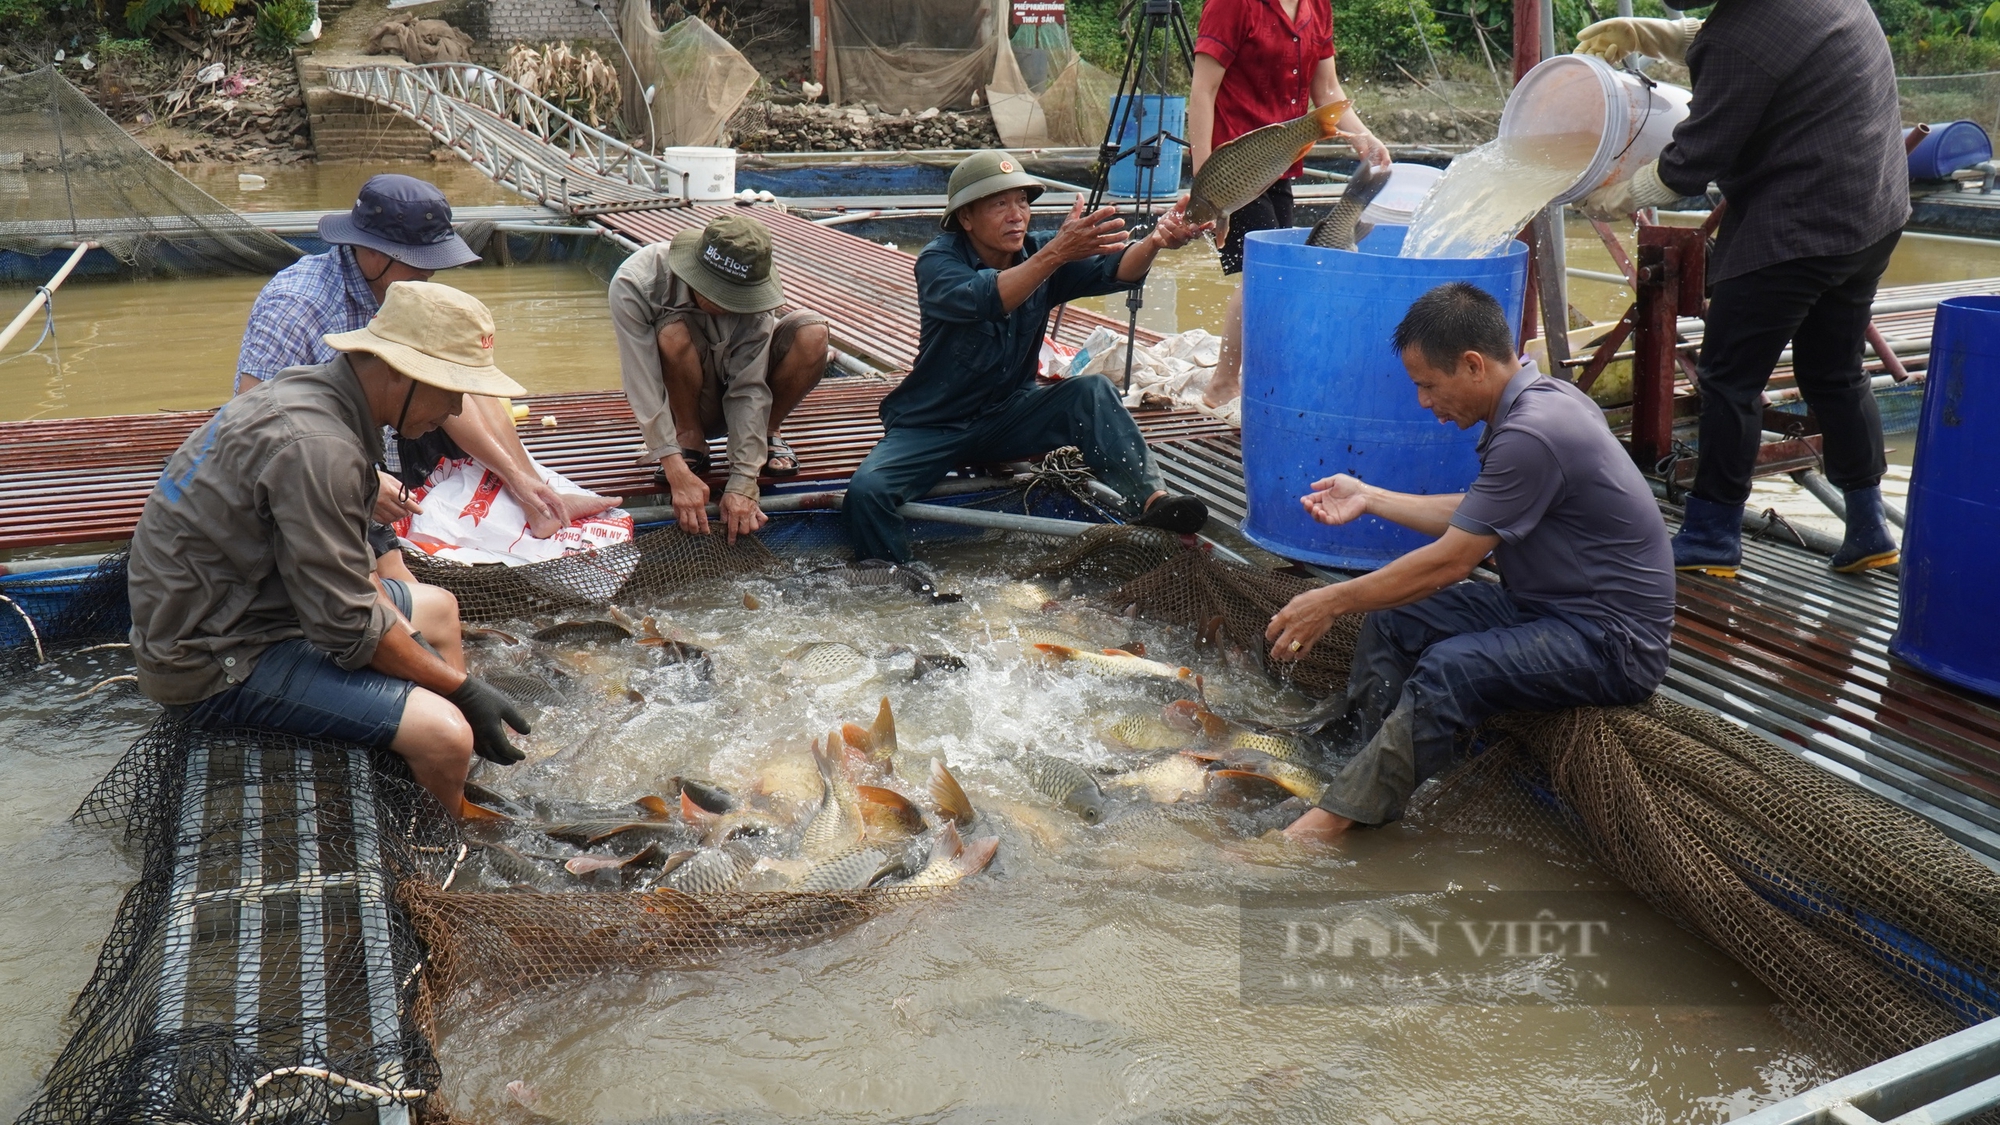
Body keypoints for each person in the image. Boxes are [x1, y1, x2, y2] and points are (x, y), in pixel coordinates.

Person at [1264, 283, 1674, 842]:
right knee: (1397, 620)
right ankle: (1353, 763)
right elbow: (1477, 512)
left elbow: (1451, 562)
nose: (1424, 403)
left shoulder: (1534, 430)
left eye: (1428, 385)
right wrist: (1370, 495)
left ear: (1473, 365)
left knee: (1453, 666)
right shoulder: (1543, 398)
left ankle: (1335, 820)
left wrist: (1330, 600)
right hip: (1545, 609)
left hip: (1611, 642)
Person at [134, 281, 533, 815]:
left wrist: (416, 649)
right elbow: (346, 624)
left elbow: (353, 573)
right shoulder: (319, 448)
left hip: (249, 603)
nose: (457, 406)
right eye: (451, 387)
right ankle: (447, 835)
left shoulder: (314, 393)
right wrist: (461, 691)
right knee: (446, 734)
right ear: (400, 371)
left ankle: (452, 771)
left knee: (438, 607)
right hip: (213, 659)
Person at [1574, 0, 1908, 576]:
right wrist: (1659, 37)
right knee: (1835, 369)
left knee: (1730, 378)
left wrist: (1621, 194)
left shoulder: (1737, 42)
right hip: (1871, 214)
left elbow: (1695, 156)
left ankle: (1712, 532)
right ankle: (1869, 525)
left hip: (1799, 227)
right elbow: (1776, 42)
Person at [236, 173, 620, 573]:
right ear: (370, 252)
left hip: (400, 428)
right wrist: (364, 480)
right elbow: (254, 418)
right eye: (419, 265)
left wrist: (520, 480)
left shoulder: (398, 291)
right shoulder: (295, 304)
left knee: (465, 366)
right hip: (333, 457)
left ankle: (533, 493)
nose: (429, 276)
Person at [843, 150, 1213, 564]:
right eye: (999, 204)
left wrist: (1156, 241)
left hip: (1009, 415)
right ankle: (895, 580)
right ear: (966, 218)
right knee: (866, 492)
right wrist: (1056, 253)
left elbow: (1116, 270)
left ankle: (1151, 502)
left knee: (1091, 391)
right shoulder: (938, 261)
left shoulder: (1039, 251)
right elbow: (989, 298)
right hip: (934, 424)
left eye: (1022, 201)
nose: (1016, 215)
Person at [1187, 0, 1390, 409]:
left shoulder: (1317, 6)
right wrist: (1204, 178)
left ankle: (1269, 378)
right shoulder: (1233, 5)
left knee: (1286, 273)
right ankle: (1222, 386)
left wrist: (1364, 137)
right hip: (1236, 167)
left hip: (1281, 163)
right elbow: (1203, 89)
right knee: (1261, 273)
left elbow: (1326, 89)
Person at [609, 213, 829, 544]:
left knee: (812, 332)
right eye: (722, 297)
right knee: (671, 333)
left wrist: (744, 479)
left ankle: (768, 433)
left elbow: (749, 388)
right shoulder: (637, 282)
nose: (733, 308)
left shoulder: (752, 280)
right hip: (681, 398)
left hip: (738, 392)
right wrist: (674, 469)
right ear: (696, 276)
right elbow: (642, 384)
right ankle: (689, 437)